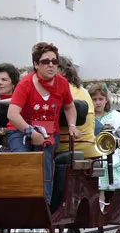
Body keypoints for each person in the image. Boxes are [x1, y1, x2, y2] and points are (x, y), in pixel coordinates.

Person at [7, 41, 78, 204]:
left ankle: (44, 204)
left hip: (49, 132)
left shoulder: (62, 83)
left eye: (54, 61)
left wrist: (72, 126)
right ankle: (21, 201)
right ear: (36, 64)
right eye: (46, 62)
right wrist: (30, 132)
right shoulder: (25, 83)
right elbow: (12, 114)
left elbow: (69, 107)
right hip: (20, 129)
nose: (51, 65)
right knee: (22, 159)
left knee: (45, 158)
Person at [87, 83, 120, 207]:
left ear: (106, 100)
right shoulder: (86, 117)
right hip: (89, 151)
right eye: (94, 99)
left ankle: (101, 202)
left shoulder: (116, 117)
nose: (98, 102)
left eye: (100, 99)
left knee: (105, 163)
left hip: (109, 153)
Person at [56, 56, 95, 158]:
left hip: (64, 146)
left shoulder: (60, 89)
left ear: (63, 72)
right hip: (89, 145)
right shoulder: (82, 91)